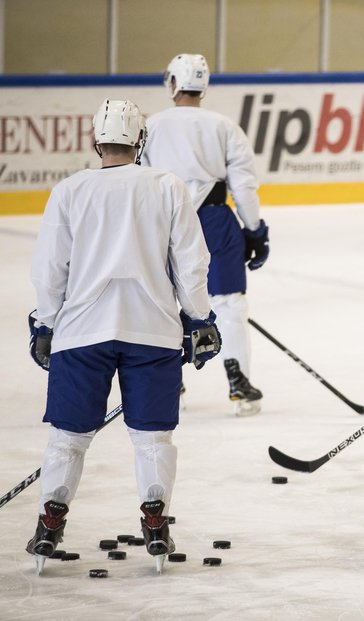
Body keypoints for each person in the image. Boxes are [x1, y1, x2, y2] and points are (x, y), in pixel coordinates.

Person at [27, 99, 220, 575]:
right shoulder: (167, 186)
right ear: (141, 141)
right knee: (154, 439)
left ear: (95, 139)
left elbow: (50, 267)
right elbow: (192, 261)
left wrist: (46, 321)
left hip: (80, 334)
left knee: (68, 439)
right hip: (152, 332)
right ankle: (155, 521)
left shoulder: (69, 191)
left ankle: (50, 521)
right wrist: (199, 318)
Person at [141, 53, 269, 416]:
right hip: (215, 221)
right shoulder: (224, 126)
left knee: (162, 300)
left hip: (166, 221)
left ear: (173, 83)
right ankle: (239, 381)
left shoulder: (152, 125)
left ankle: (168, 381)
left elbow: (139, 182)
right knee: (229, 302)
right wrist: (255, 230)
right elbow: (243, 186)